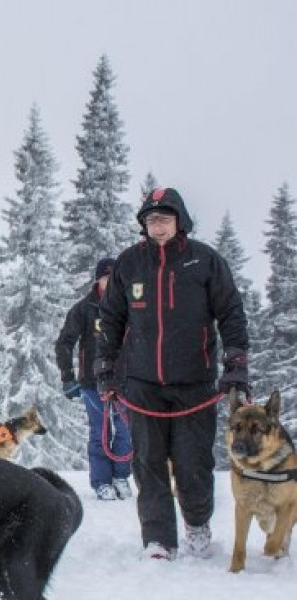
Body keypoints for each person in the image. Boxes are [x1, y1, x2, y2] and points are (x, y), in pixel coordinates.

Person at [95, 188, 249, 560]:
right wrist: (106, 369)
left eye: (164, 219)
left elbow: (230, 313)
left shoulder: (205, 261)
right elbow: (112, 319)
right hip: (142, 383)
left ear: (179, 221)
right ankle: (158, 539)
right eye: (150, 220)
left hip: (194, 382)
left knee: (193, 462)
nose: (157, 226)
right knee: (147, 464)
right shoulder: (130, 264)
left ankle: (197, 525)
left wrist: (236, 365)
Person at [55, 257, 133, 501]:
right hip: (92, 380)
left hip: (124, 380)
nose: (110, 283)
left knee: (126, 430)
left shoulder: (129, 305)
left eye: (114, 278)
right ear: (98, 279)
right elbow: (64, 343)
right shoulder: (84, 308)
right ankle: (101, 481)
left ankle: (121, 476)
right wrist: (67, 376)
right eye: (106, 278)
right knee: (100, 431)